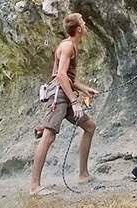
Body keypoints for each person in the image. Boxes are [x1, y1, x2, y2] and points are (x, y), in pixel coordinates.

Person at [30, 12, 99, 196]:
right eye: (83, 22)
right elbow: (60, 76)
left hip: (66, 93)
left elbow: (66, 77)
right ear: (78, 29)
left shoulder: (69, 45)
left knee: (89, 127)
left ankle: (83, 174)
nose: (85, 24)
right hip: (59, 96)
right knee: (48, 136)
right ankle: (34, 187)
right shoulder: (68, 46)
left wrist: (85, 89)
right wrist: (75, 102)